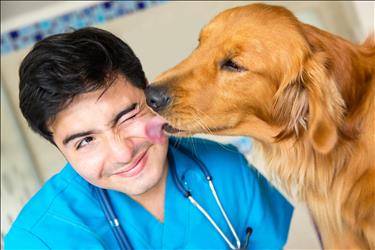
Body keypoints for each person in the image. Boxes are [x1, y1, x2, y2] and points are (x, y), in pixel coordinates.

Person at [5, 27, 293, 249]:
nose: (122, 152)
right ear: (59, 148)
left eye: (127, 117)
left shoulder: (228, 170)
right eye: (86, 141)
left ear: (149, 93)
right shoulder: (38, 239)